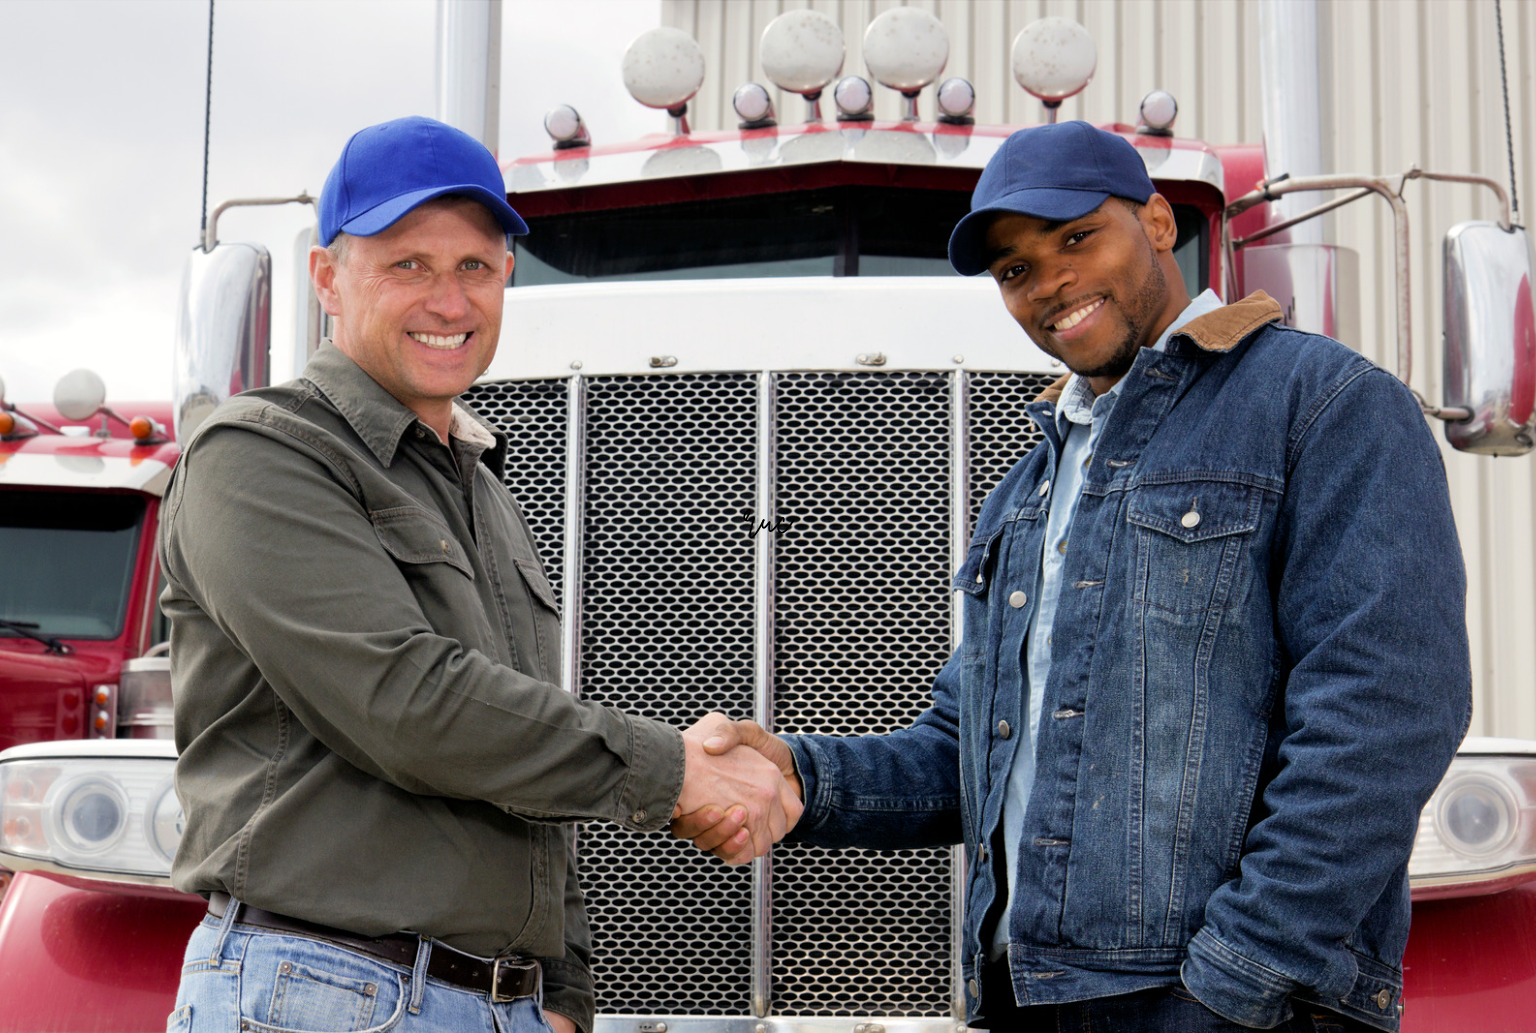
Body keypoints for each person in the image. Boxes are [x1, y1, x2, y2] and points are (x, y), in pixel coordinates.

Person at [673, 121, 1470, 1032]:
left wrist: (1237, 975)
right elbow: (974, 749)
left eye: (1077, 237)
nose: (1048, 281)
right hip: (1034, 996)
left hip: (1223, 1003)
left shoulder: (1323, 401)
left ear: (1161, 224)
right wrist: (803, 776)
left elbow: (1388, 708)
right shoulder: (1031, 483)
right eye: (1014, 269)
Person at [160, 116, 799, 1033]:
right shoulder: (258, 455)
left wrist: (564, 991)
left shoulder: (478, 486)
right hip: (322, 992)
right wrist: (674, 772)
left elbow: (515, 752)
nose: (449, 301)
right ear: (327, 279)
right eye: (408, 263)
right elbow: (407, 702)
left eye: (475, 266)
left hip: (494, 1004)